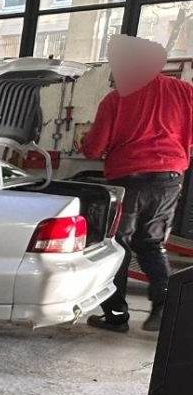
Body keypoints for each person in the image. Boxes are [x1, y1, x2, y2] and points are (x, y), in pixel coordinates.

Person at [81, 35, 193, 333]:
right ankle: (162, 308)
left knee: (118, 245)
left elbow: (93, 148)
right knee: (151, 243)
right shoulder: (185, 92)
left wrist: (87, 144)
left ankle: (116, 315)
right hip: (168, 178)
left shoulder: (116, 99)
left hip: (127, 180)